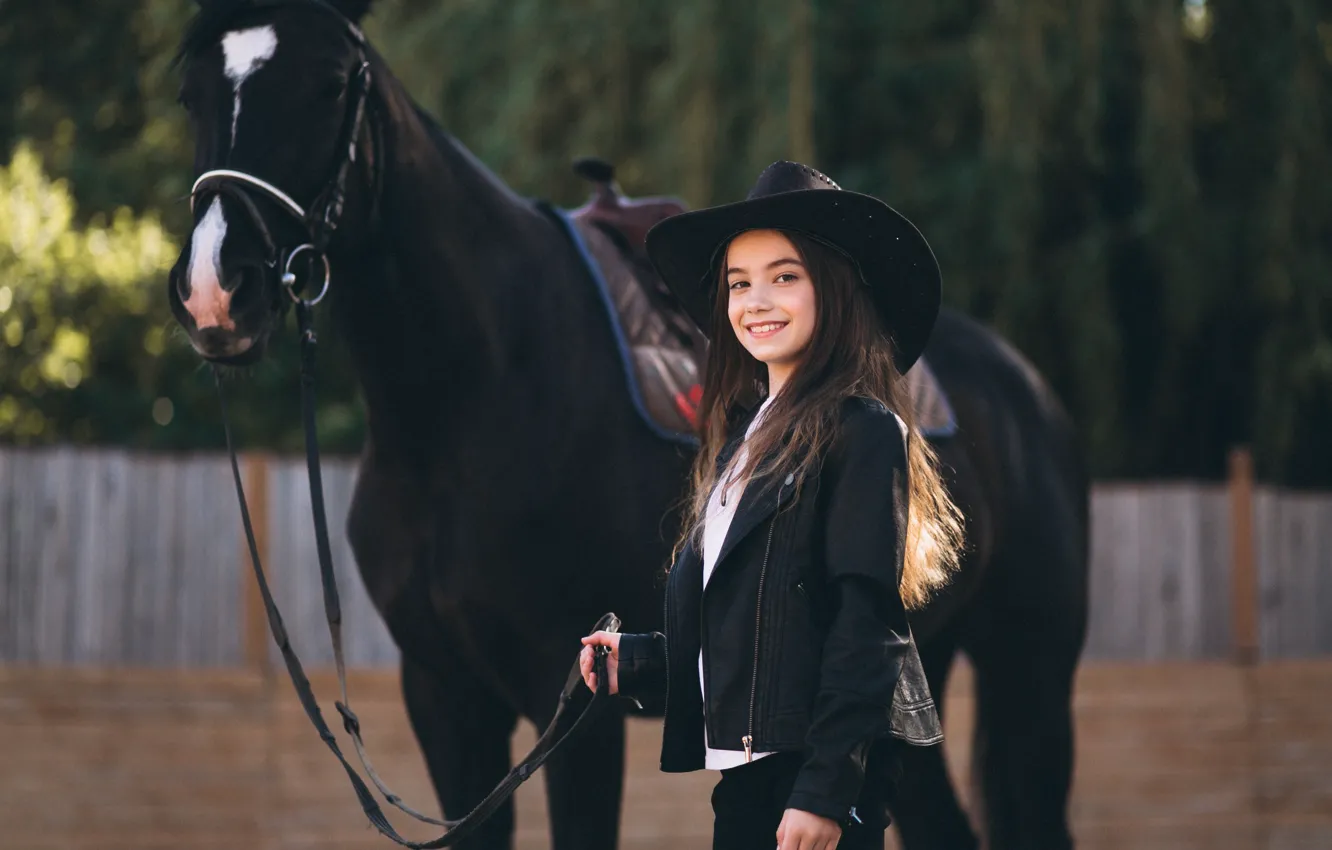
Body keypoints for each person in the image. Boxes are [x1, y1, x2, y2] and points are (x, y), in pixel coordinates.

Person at [579, 161, 965, 850]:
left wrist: (824, 793)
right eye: (738, 283)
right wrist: (635, 662)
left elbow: (864, 628)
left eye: (785, 276)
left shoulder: (864, 432)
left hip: (811, 794)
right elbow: (763, 639)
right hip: (751, 790)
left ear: (835, 288)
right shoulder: (745, 443)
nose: (756, 300)